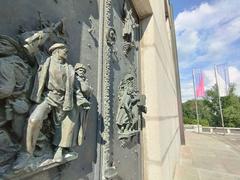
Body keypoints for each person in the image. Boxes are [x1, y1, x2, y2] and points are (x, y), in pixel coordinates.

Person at [13, 43, 74, 169]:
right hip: (48, 97)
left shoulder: (69, 68)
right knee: (34, 119)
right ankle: (26, 154)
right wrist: (44, 34)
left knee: (60, 128)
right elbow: (29, 45)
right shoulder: (44, 60)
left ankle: (59, 149)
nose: (66, 52)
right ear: (56, 51)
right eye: (64, 50)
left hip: (63, 100)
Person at [53, 63, 92, 152]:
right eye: (80, 70)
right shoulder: (75, 79)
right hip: (72, 106)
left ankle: (69, 147)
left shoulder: (83, 80)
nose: (82, 72)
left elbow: (87, 91)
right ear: (76, 71)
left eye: (83, 71)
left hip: (80, 109)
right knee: (68, 126)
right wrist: (83, 99)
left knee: (76, 129)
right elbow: (79, 90)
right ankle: (60, 148)